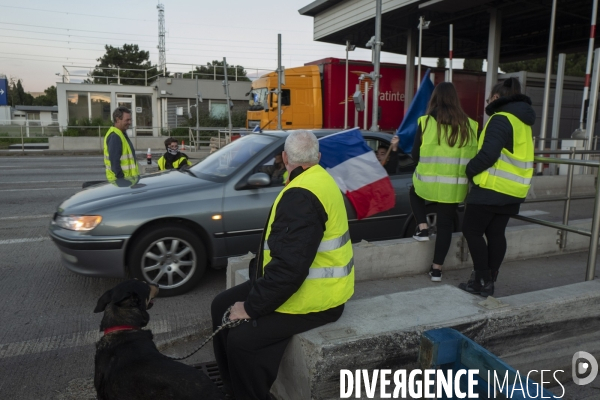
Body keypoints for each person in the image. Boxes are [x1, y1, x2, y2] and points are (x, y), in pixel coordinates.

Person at [211, 130, 354, 400]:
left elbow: (290, 268)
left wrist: (251, 308)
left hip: (316, 300)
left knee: (242, 341)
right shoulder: (317, 179)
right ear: (318, 157)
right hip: (311, 288)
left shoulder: (301, 195)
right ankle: (232, 390)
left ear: (285, 157)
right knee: (221, 305)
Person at [458, 77, 535, 297]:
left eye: (491, 96)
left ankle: (480, 280)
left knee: (471, 231)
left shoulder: (501, 118)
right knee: (495, 233)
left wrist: (470, 169)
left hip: (492, 188)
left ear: (497, 97)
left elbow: (489, 154)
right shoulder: (523, 122)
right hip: (514, 190)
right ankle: (489, 282)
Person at [410, 82, 478, 282]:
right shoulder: (471, 125)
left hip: (428, 181)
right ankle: (437, 270)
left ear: (435, 99)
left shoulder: (425, 122)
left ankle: (422, 228)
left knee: (414, 192)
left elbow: (415, 155)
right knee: (446, 225)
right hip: (454, 186)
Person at [104, 107, 139, 182]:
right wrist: (122, 180)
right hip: (121, 183)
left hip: (128, 181)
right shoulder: (115, 136)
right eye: (127, 120)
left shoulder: (121, 134)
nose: (129, 122)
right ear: (117, 120)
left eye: (130, 120)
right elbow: (115, 164)